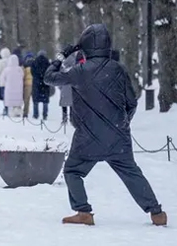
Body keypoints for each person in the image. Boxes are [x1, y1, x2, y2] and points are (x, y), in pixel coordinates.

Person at [44, 24, 167, 226]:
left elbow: (49, 78)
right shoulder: (119, 70)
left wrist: (61, 56)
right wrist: (122, 122)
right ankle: (156, 212)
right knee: (131, 173)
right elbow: (132, 102)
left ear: (85, 46)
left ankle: (83, 211)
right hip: (118, 137)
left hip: (87, 137)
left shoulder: (79, 71)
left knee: (73, 171)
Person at [58, 51, 80, 124]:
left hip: (64, 86)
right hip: (72, 87)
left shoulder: (63, 66)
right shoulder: (75, 65)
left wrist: (60, 87)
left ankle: (64, 118)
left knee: (64, 104)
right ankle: (71, 118)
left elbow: (60, 77)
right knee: (71, 104)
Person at [31, 51, 51, 120]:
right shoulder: (48, 63)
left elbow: (32, 72)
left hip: (36, 83)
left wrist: (37, 78)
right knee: (45, 100)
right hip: (45, 83)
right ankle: (45, 115)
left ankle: (35, 114)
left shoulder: (34, 62)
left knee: (36, 100)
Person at [22, 53, 34, 118]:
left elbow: (23, 76)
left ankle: (25, 112)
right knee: (29, 99)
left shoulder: (25, 66)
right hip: (33, 84)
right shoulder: (34, 66)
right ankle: (26, 111)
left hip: (26, 84)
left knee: (26, 99)